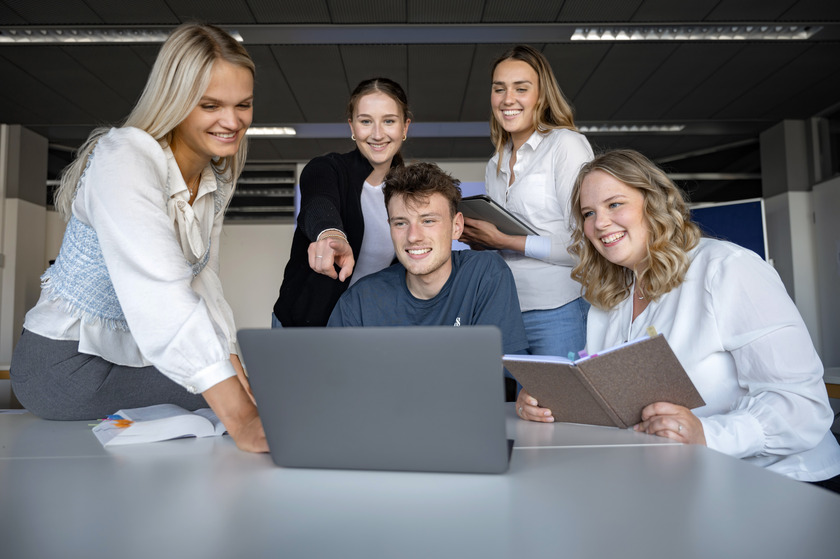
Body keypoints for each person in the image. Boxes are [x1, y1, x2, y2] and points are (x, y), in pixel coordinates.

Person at [9, 23, 267, 453]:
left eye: (244, 105)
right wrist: (242, 420)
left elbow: (204, 283)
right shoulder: (125, 157)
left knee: (257, 379)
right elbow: (160, 291)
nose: (232, 121)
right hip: (64, 368)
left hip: (130, 358)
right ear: (176, 101)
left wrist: (232, 359)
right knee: (252, 393)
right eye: (210, 105)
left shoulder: (214, 177)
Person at [518, 148, 840, 487]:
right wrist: (552, 400)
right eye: (588, 213)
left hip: (782, 482)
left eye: (614, 204)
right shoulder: (609, 298)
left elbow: (803, 406)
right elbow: (612, 399)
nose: (599, 223)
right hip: (683, 481)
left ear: (653, 203)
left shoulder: (727, 269)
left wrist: (706, 434)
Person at [459, 44, 593, 357]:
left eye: (521, 88)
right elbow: (501, 242)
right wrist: (483, 240)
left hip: (560, 307)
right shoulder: (495, 163)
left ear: (541, 95)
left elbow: (586, 247)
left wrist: (506, 239)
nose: (508, 99)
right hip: (509, 309)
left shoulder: (566, 145)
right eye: (499, 89)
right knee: (525, 406)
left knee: (563, 405)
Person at [328, 162, 529, 357]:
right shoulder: (360, 300)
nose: (413, 236)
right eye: (400, 223)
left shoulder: (484, 275)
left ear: (456, 226)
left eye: (428, 221)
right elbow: (332, 380)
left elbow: (500, 373)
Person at [272, 78, 411, 327]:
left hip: (368, 326)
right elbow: (319, 204)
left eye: (389, 121)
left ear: (404, 127)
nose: (377, 134)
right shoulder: (327, 169)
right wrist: (331, 235)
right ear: (352, 127)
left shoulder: (412, 190)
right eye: (366, 121)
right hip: (305, 325)